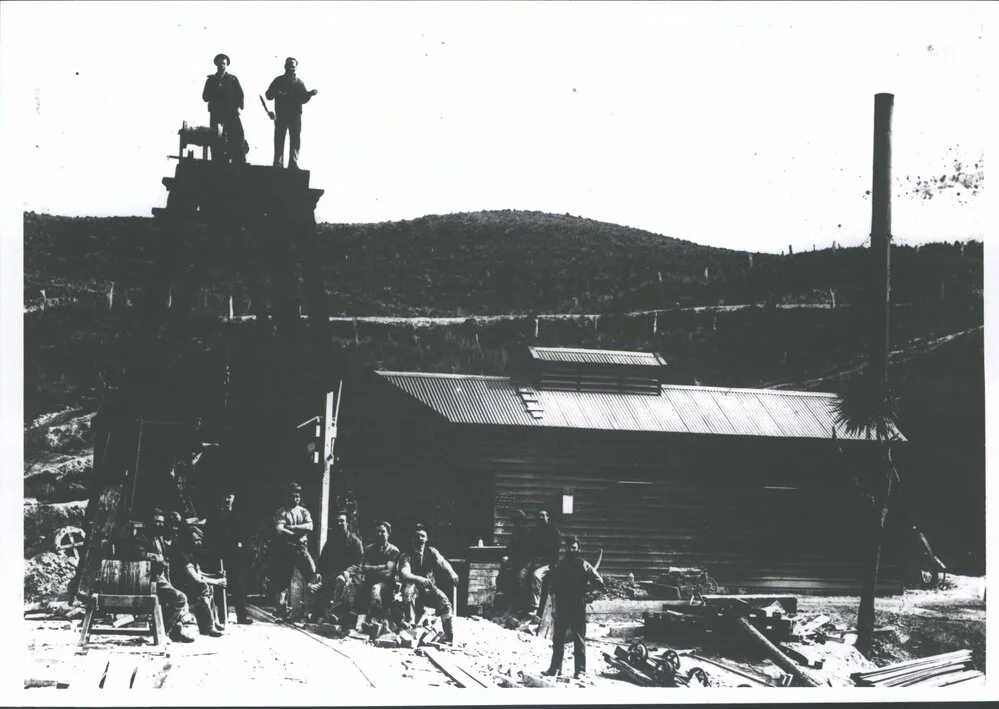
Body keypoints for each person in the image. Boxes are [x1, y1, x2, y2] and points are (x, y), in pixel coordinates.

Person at [542, 535, 603, 679]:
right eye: (569, 547)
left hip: (577, 606)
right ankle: (555, 669)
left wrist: (590, 595)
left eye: (574, 548)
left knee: (579, 639)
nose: (571, 550)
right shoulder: (560, 566)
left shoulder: (584, 565)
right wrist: (554, 608)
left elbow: (599, 583)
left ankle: (580, 671)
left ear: (578, 549)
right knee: (558, 639)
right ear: (566, 548)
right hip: (562, 606)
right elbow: (553, 589)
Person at [131, 508, 195, 643]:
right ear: (150, 523)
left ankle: (176, 632)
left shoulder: (159, 539)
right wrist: (153, 556)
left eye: (161, 522)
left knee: (177, 595)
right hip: (148, 578)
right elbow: (136, 553)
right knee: (180, 598)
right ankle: (162, 632)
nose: (159, 524)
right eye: (156, 522)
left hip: (162, 576)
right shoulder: (142, 537)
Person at [398, 524, 459, 642]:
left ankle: (449, 636)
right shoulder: (406, 555)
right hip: (412, 591)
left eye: (422, 536)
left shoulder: (431, 551)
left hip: (428, 590)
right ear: (412, 539)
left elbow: (442, 562)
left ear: (427, 538)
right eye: (417, 536)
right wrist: (420, 579)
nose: (420, 538)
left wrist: (452, 572)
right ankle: (409, 633)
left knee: (444, 602)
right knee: (408, 591)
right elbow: (405, 573)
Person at [204, 490, 253, 624]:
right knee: (220, 585)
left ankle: (241, 616)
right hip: (218, 554)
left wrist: (241, 545)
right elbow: (208, 535)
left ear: (233, 498)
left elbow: (244, 534)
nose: (227, 499)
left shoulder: (239, 516)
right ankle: (222, 616)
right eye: (225, 497)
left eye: (229, 497)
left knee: (238, 585)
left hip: (235, 556)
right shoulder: (214, 516)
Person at [171, 525, 227, 637]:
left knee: (208, 586)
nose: (198, 543)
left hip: (188, 583)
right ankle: (207, 627)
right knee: (202, 587)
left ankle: (212, 620)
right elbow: (195, 577)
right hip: (178, 584)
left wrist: (216, 576)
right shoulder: (181, 553)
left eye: (199, 540)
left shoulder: (190, 553)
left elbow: (199, 573)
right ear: (188, 540)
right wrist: (217, 582)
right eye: (195, 540)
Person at [270, 482, 316, 615]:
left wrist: (291, 528)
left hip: (302, 549)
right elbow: (279, 529)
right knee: (282, 580)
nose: (296, 499)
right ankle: (281, 610)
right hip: (286, 550)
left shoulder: (304, 511)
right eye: (293, 496)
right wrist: (296, 534)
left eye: (298, 497)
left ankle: (310, 610)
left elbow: (310, 526)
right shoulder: (282, 511)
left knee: (312, 574)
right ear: (288, 496)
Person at [309, 511, 364, 623]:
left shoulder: (355, 542)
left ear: (347, 523)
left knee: (340, 580)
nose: (339, 523)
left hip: (348, 577)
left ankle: (335, 614)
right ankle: (317, 614)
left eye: (342, 521)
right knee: (314, 586)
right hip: (331, 575)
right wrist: (318, 572)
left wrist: (348, 571)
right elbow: (322, 559)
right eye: (337, 521)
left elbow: (359, 563)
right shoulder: (331, 541)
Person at [264, 57, 318, 169]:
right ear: (285, 66)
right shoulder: (278, 80)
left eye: (293, 66)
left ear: (296, 68)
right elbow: (268, 95)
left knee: (295, 139)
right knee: (279, 138)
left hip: (295, 115)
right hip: (281, 114)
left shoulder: (299, 83)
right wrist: (276, 92)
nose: (291, 68)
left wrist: (310, 94)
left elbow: (303, 99)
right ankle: (278, 162)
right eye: (289, 66)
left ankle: (293, 162)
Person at [202, 53, 246, 164]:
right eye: (220, 64)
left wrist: (239, 107)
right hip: (216, 115)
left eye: (224, 64)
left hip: (231, 115)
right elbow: (205, 97)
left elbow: (240, 95)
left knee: (237, 136)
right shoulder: (211, 80)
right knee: (216, 139)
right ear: (216, 65)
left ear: (227, 65)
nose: (222, 65)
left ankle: (238, 162)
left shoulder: (232, 79)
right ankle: (218, 163)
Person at [520, 508, 561, 616]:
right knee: (522, 574)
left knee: (536, 576)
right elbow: (529, 548)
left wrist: (542, 562)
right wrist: (531, 561)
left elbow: (554, 551)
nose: (540, 517)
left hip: (548, 563)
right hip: (535, 561)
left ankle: (534, 606)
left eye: (543, 515)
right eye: (539, 515)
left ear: (548, 517)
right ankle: (523, 604)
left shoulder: (554, 531)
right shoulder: (535, 532)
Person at [358, 521, 400, 618]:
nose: (379, 534)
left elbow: (388, 573)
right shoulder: (369, 549)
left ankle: (376, 619)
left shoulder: (393, 550)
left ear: (388, 533)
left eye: (382, 531)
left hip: (387, 584)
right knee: (352, 586)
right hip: (369, 581)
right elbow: (361, 568)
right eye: (377, 532)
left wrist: (370, 569)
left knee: (375, 589)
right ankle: (344, 616)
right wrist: (381, 566)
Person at [497, 510, 531, 611]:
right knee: (506, 579)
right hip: (516, 562)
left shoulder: (526, 532)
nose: (516, 523)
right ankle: (511, 607)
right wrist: (506, 555)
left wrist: (510, 557)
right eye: (515, 521)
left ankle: (522, 608)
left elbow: (522, 549)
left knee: (520, 580)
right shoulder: (515, 532)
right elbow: (511, 547)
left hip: (524, 562)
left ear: (522, 521)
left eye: (518, 520)